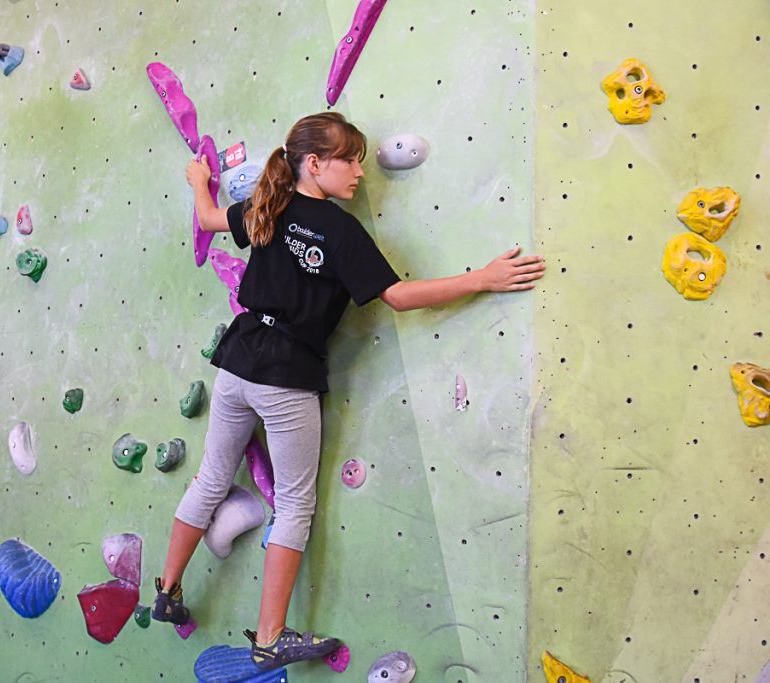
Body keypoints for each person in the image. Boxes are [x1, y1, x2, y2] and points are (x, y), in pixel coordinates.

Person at [151, 112, 545, 671]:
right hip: (285, 374)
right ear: (315, 164)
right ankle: (270, 637)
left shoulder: (270, 205)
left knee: (212, 477)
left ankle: (166, 589)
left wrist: (198, 181)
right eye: (350, 159)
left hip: (237, 364)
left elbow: (212, 217)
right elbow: (400, 297)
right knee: (293, 501)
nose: (359, 171)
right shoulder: (337, 231)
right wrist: (482, 278)